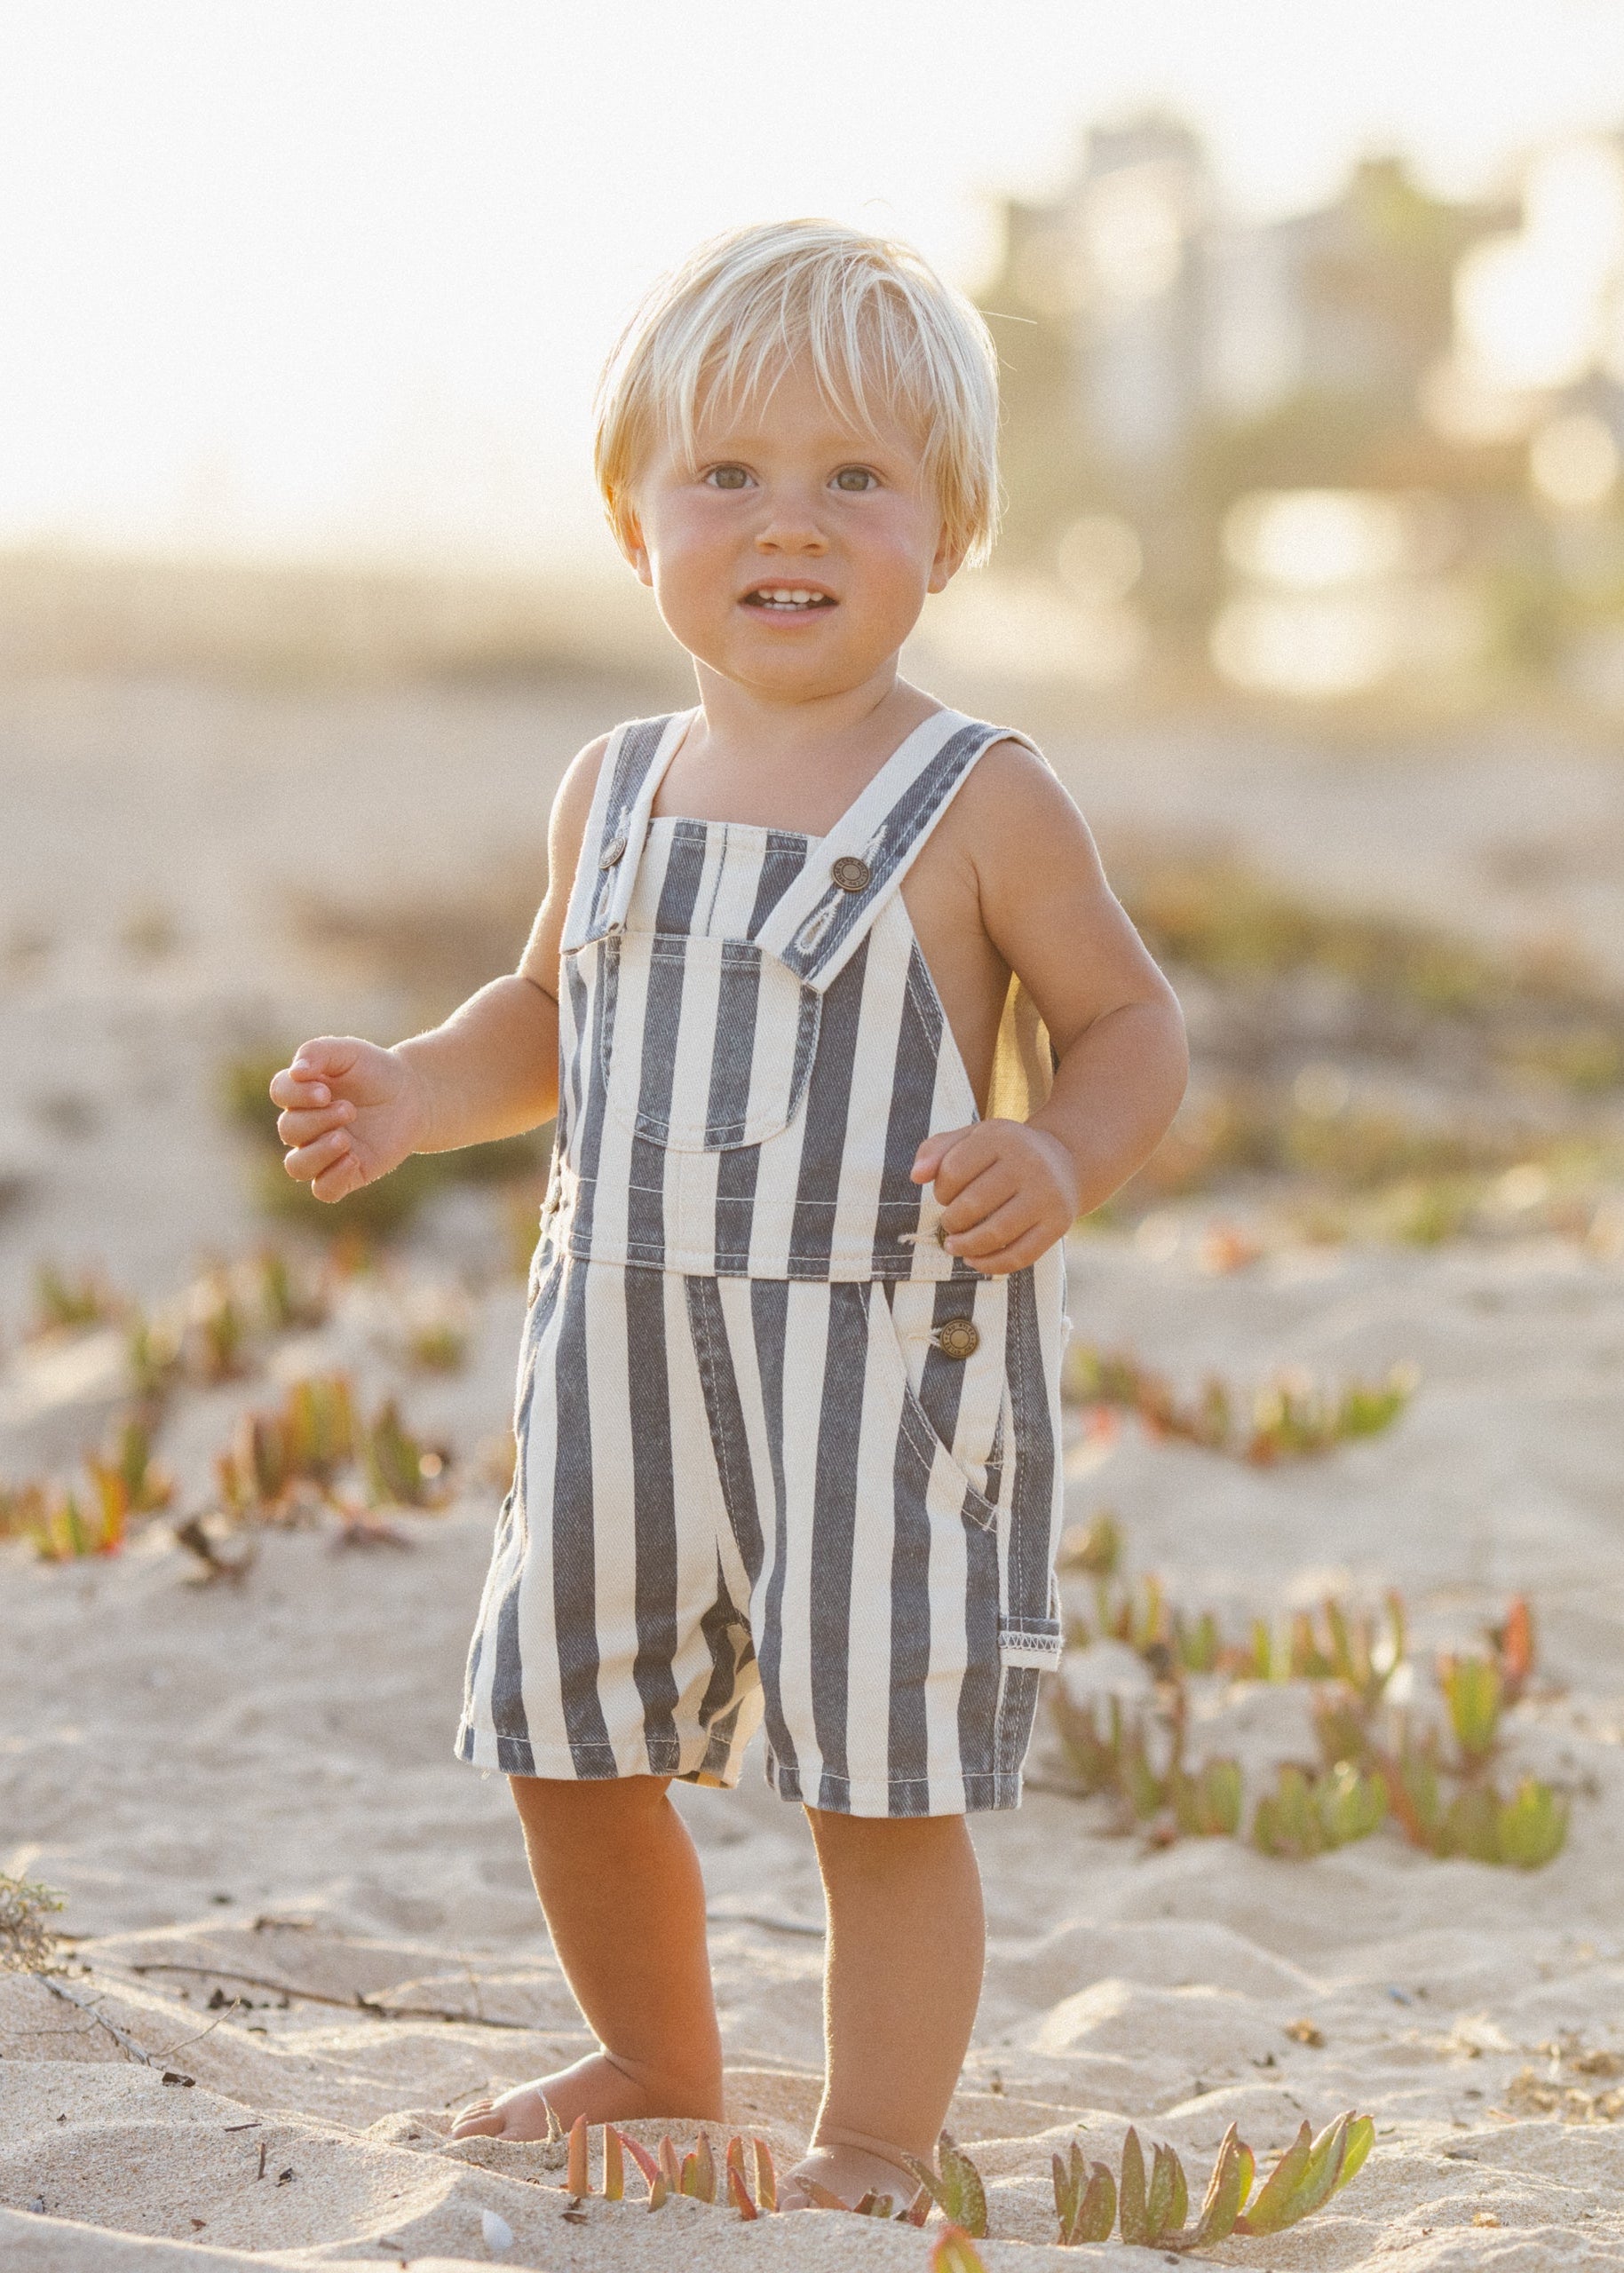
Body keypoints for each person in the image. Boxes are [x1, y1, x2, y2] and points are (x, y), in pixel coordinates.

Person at [270, 219, 1186, 2212]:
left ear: (948, 533)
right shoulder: (609, 786)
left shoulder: (976, 797)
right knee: (568, 1726)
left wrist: (1058, 1151)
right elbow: (547, 1014)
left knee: (877, 1764)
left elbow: (1130, 1021)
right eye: (729, 474)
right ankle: (656, 2053)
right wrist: (423, 1086)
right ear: (633, 519)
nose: (792, 520)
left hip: (871, 1366)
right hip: (614, 1349)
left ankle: (874, 2127)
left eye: (858, 476)